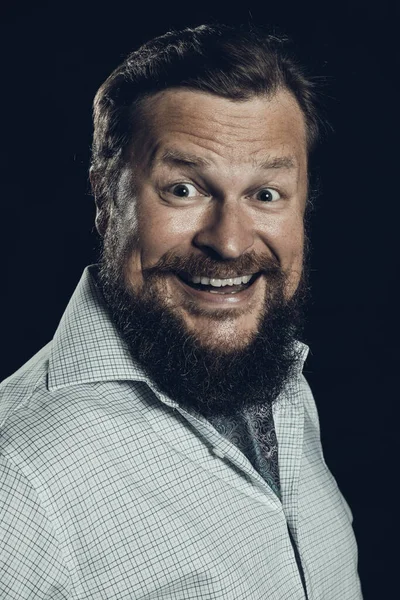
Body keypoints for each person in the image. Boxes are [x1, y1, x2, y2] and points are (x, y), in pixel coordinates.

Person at [0, 24, 362, 599]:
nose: (231, 242)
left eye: (265, 195)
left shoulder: (281, 385)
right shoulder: (17, 480)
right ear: (105, 197)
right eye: (184, 190)